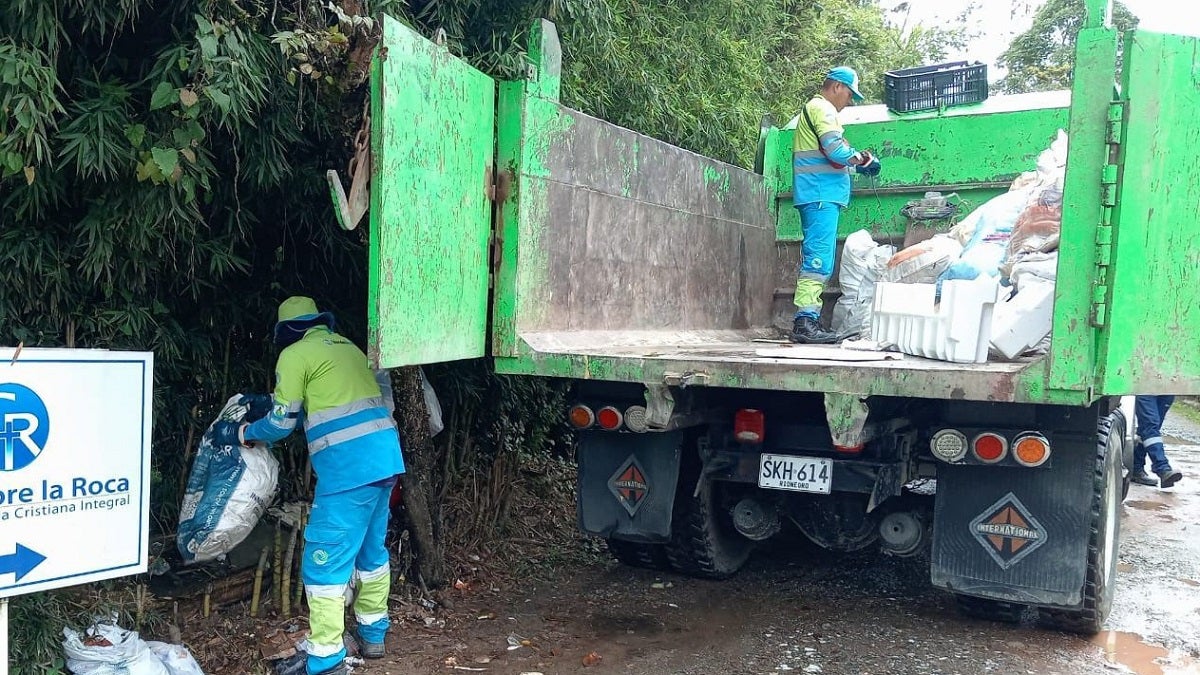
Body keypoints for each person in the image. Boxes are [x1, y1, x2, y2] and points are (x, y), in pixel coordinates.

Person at [213, 296, 405, 675]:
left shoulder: (295, 355)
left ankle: (326, 657)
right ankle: (374, 633)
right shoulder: (348, 348)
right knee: (371, 553)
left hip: (347, 470)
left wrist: (244, 432)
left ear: (286, 332)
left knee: (324, 563)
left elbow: (282, 424)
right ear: (319, 322)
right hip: (386, 461)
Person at [789, 66, 882, 344]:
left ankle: (808, 320)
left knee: (820, 259)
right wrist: (862, 159)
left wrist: (855, 166)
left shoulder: (817, 110)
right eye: (850, 94)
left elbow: (828, 159)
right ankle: (805, 322)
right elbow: (835, 150)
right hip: (819, 195)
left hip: (818, 193)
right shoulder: (823, 109)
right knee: (817, 260)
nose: (850, 101)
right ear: (837, 87)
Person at [1128, 395, 1183, 488]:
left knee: (1149, 431)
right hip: (1146, 389)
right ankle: (1162, 468)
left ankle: (1136, 467)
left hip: (1167, 390)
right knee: (1150, 427)